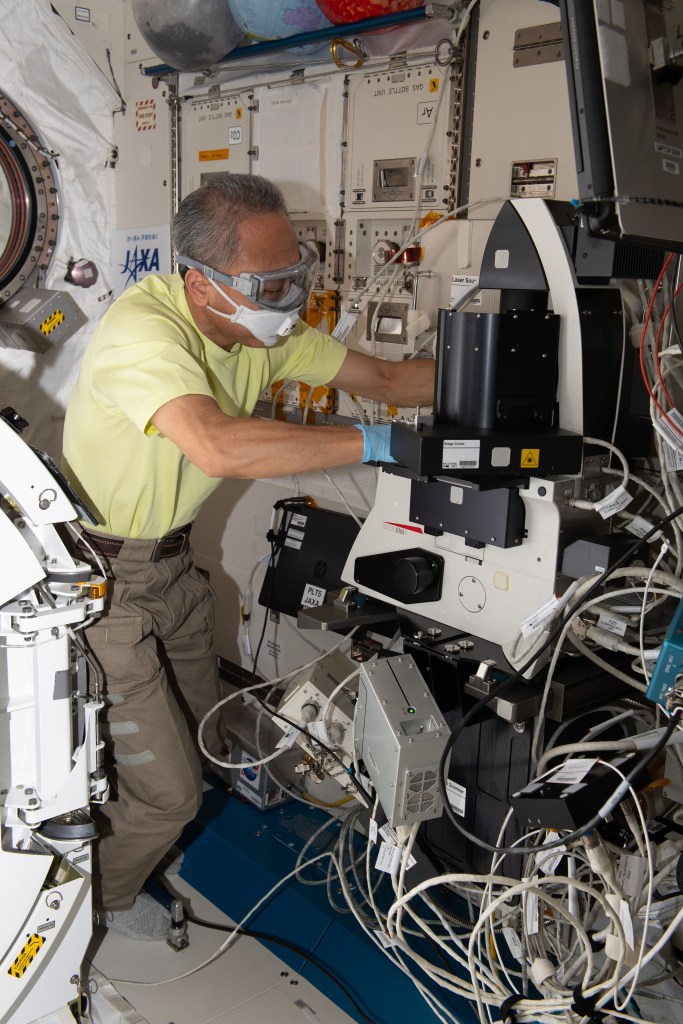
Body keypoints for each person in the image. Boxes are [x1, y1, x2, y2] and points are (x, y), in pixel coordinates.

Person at [61, 172, 435, 940]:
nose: (291, 299)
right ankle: (75, 921)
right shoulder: (146, 334)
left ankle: (115, 848)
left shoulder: (260, 330)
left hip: (169, 566)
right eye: (271, 283)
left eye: (297, 275)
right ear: (202, 285)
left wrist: (507, 381)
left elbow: (393, 378)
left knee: (206, 743)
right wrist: (374, 442)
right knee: (169, 794)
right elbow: (216, 443)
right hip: (100, 580)